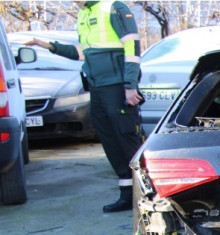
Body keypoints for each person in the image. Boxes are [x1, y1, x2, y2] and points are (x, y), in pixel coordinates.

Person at [25, 1, 143, 213]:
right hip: (97, 86)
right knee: (109, 140)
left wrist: (130, 85)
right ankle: (127, 195)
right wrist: (51, 47)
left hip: (117, 86)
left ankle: (147, 194)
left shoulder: (113, 7)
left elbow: (132, 46)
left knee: (126, 138)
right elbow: (83, 52)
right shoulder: (83, 14)